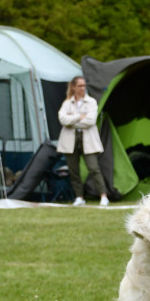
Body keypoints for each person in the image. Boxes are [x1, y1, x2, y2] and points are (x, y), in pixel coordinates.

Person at [57, 76, 109, 206]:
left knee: (94, 168)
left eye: (84, 85)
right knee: (74, 171)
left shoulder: (91, 102)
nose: (83, 88)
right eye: (80, 86)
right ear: (73, 87)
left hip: (88, 140)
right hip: (70, 141)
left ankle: (103, 196)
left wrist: (71, 120)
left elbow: (90, 121)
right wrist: (79, 117)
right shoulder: (67, 103)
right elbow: (62, 119)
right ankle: (79, 197)